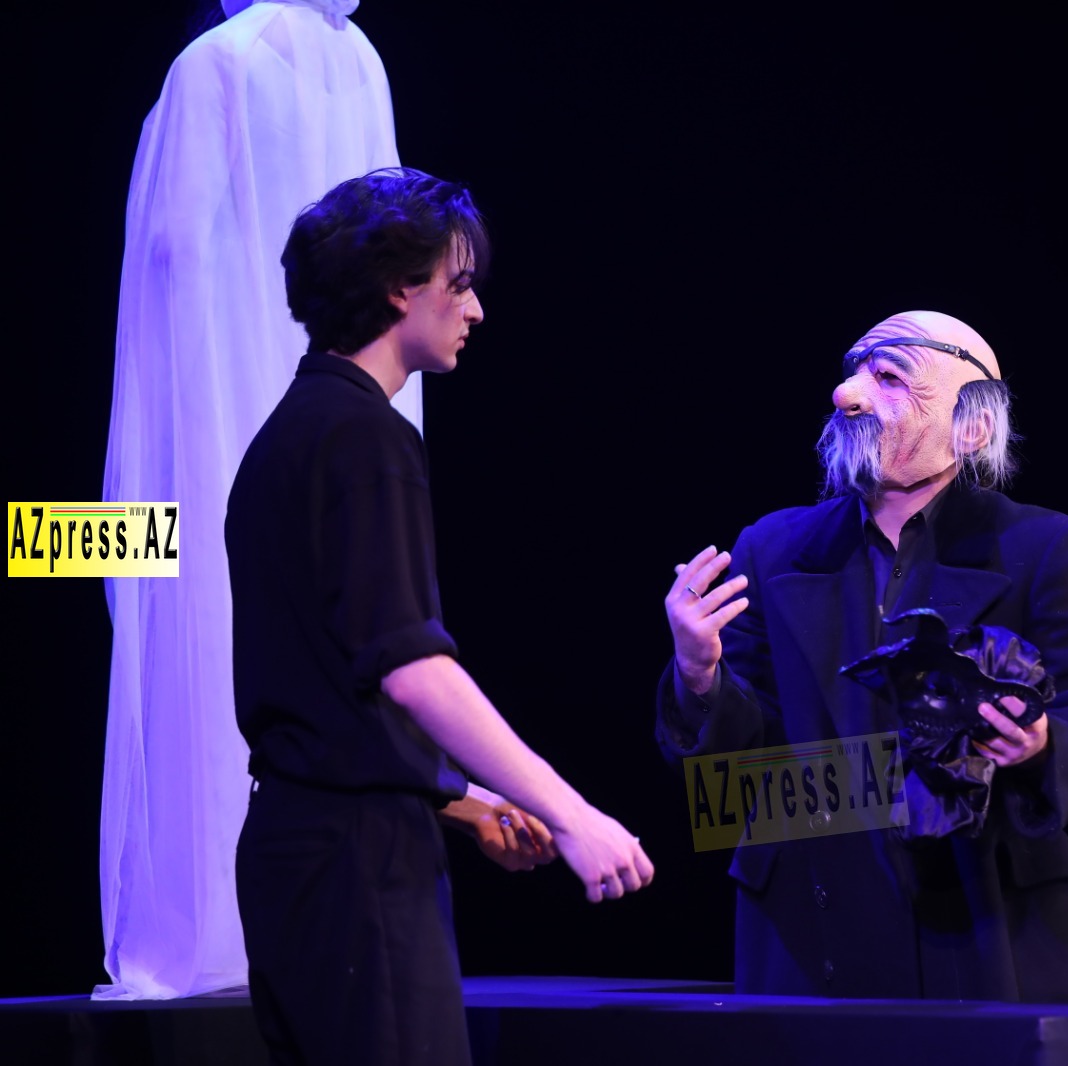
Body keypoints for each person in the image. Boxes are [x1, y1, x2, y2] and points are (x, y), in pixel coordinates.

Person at [227, 167, 653, 1064]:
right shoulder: (367, 436)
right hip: (354, 862)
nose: (475, 310)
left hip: (293, 854)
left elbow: (325, 693)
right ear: (399, 288)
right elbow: (412, 671)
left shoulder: (284, 437)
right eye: (459, 285)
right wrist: (571, 813)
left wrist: (465, 803)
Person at [657, 310, 1068, 1003]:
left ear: (972, 425)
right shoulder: (773, 547)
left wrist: (1039, 744)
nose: (847, 394)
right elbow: (733, 771)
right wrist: (699, 673)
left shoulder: (1041, 547)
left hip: (976, 913)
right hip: (808, 927)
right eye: (854, 372)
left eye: (889, 377)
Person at [99, 0, 421, 999]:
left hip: (225, 410)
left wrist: (175, 430)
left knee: (201, 630)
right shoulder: (361, 60)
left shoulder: (215, 63)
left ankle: (206, 924)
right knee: (342, 630)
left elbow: (171, 254)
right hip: (346, 402)